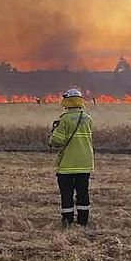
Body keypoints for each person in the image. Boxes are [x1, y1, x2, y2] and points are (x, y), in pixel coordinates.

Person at [48, 88, 94, 227]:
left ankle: (67, 221)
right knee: (83, 193)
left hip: (68, 164)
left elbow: (57, 141)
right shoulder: (88, 118)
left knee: (67, 194)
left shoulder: (65, 119)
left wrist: (52, 136)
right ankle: (83, 221)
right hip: (85, 162)